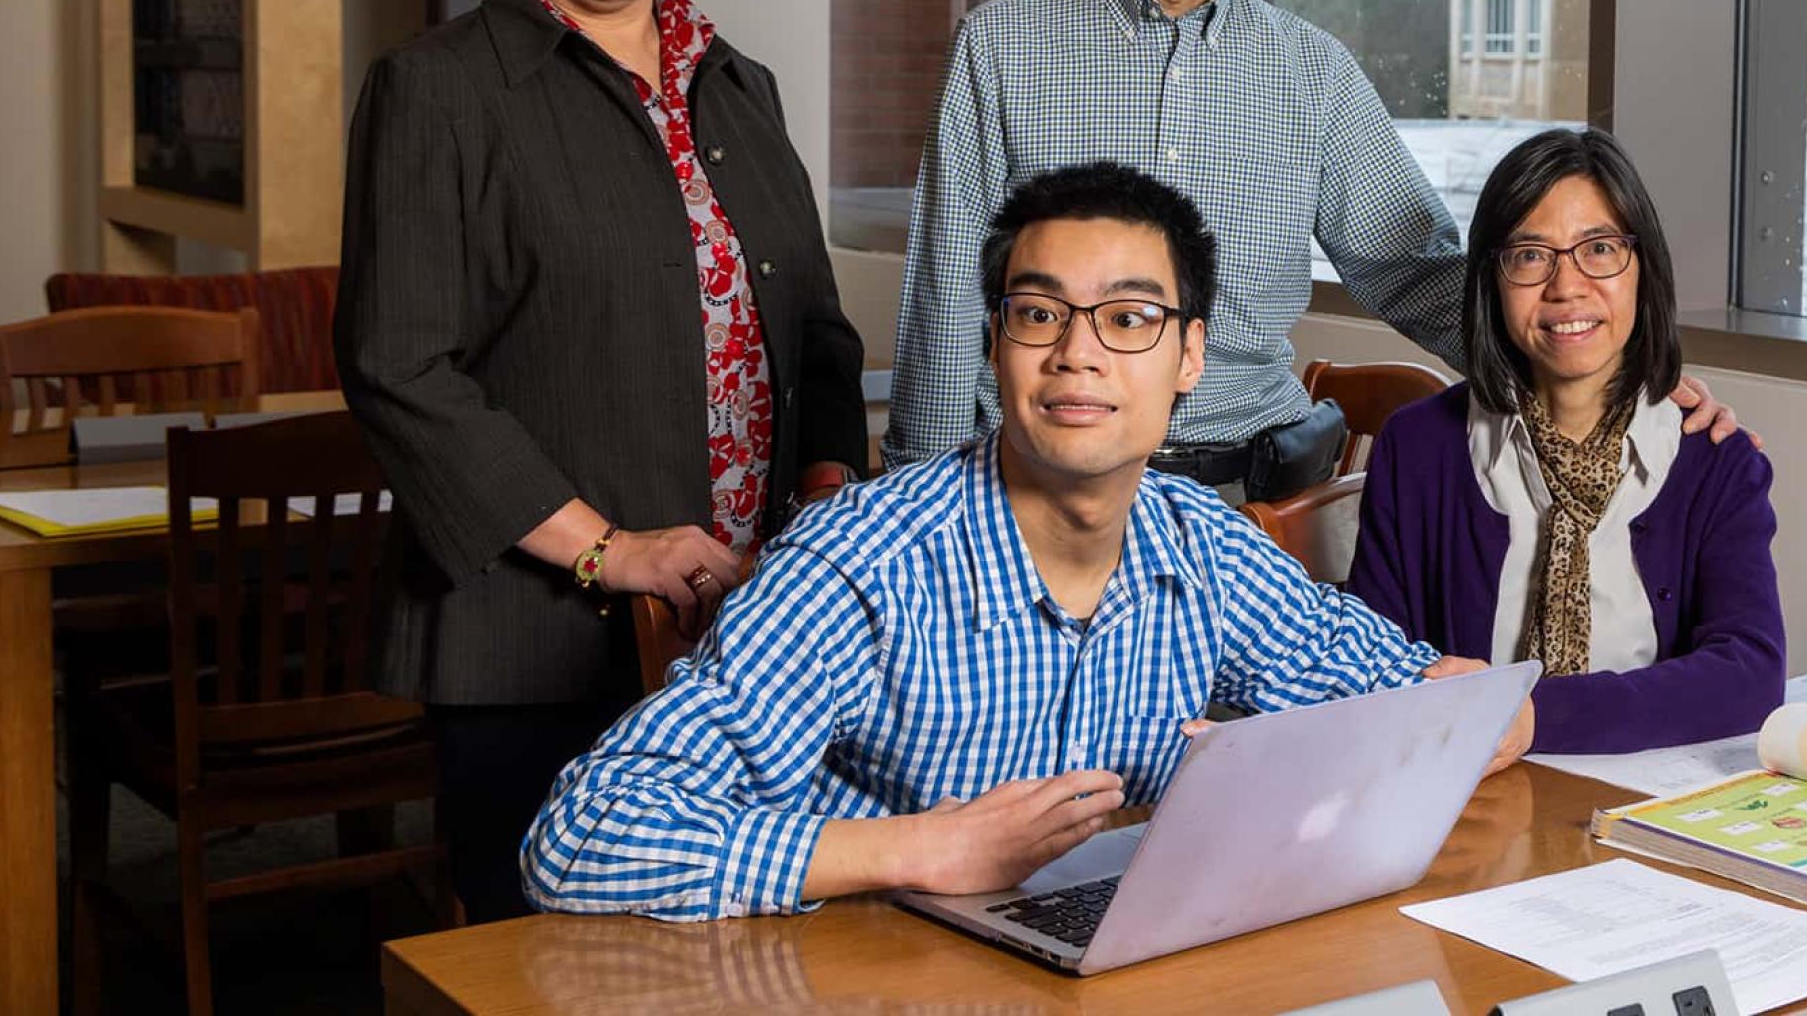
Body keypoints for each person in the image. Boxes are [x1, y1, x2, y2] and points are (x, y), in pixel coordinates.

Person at [523, 163, 1532, 919]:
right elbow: (585, 834)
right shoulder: (859, 566)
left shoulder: (1202, 547)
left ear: (1188, 357)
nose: (1077, 353)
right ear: (995, 344)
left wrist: (1467, 715)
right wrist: (919, 847)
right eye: (1038, 312)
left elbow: (1439, 700)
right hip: (867, 974)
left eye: (1129, 318)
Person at [886, 0, 1744, 501]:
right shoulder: (1000, 48)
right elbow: (946, 300)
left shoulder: (1314, 72)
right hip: (1040, 491)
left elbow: (1418, 273)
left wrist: (1629, 381)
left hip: (1256, 513)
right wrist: (910, 508)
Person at [335, 0, 866, 922]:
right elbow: (399, 366)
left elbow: (818, 333)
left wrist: (831, 486)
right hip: (536, 647)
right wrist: (609, 549)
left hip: (748, 640)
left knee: (751, 957)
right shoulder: (438, 90)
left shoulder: (741, 84)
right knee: (553, 970)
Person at [1346, 129, 1784, 755]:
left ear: (1644, 270)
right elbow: (1372, 667)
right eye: (1530, 255)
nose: (1566, 286)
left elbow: (1749, 678)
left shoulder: (1714, 460)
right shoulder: (1420, 450)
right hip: (1468, 800)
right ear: (1492, 281)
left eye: (1599, 249)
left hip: (1643, 812)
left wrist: (1531, 718)